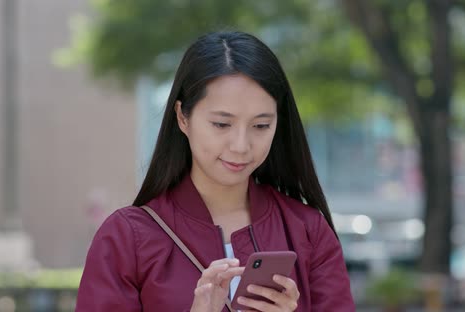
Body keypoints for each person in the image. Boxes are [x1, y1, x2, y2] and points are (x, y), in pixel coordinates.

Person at [76, 31, 355, 312]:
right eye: (222, 124)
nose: (241, 145)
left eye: (260, 126)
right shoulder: (126, 238)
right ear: (183, 117)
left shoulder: (308, 231)